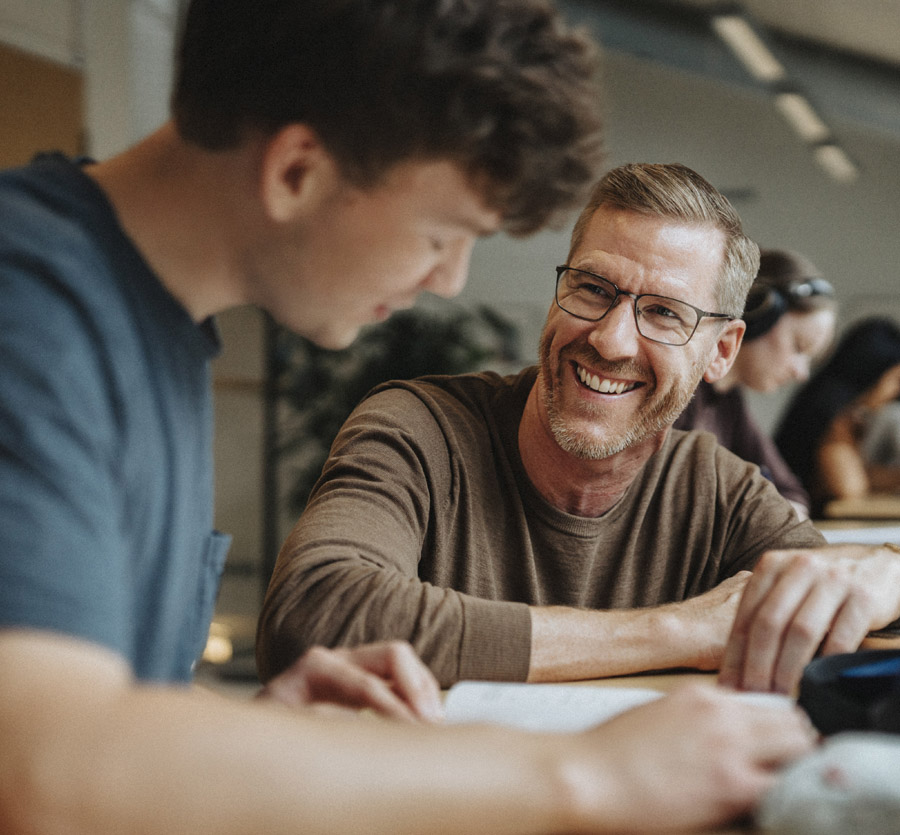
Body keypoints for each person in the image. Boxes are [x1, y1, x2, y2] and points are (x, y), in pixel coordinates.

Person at [0, 2, 819, 833]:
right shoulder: (29, 314)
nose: (450, 281)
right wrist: (584, 774)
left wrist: (253, 730)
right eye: (442, 233)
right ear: (297, 171)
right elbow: (41, 767)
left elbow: (97, 709)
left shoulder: (156, 334)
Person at [258, 162, 900, 699]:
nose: (612, 339)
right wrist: (679, 631)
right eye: (593, 289)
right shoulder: (422, 431)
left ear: (722, 351)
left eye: (664, 313)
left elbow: (847, 629)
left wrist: (884, 571)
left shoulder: (717, 490)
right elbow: (314, 614)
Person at [674, 248, 837, 519]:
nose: (802, 373)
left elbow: (790, 492)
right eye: (799, 347)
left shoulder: (730, 402)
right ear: (756, 313)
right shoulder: (682, 393)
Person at [775, 317, 900, 513]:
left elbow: (866, 475)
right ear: (871, 373)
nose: (895, 391)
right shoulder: (829, 413)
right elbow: (850, 488)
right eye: (894, 380)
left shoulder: (839, 408)